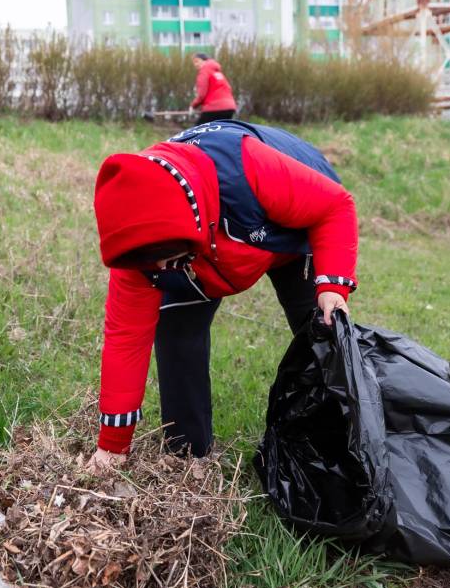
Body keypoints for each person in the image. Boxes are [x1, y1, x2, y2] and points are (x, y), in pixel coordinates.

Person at [87, 120, 358, 472]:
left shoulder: (248, 167)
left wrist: (332, 289)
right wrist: (112, 446)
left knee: (320, 333)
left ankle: (347, 438)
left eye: (170, 258)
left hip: (292, 227)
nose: (161, 269)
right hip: (209, 252)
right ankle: (187, 458)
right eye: (153, 264)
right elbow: (125, 341)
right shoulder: (137, 252)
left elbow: (334, 207)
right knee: (176, 335)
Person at [189, 52, 237, 123]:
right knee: (220, 131)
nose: (195, 65)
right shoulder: (217, 73)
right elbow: (229, 88)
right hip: (230, 108)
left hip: (214, 108)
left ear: (204, 60)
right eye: (194, 63)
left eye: (197, 61)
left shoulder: (204, 71)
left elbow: (202, 94)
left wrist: (193, 106)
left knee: (199, 131)